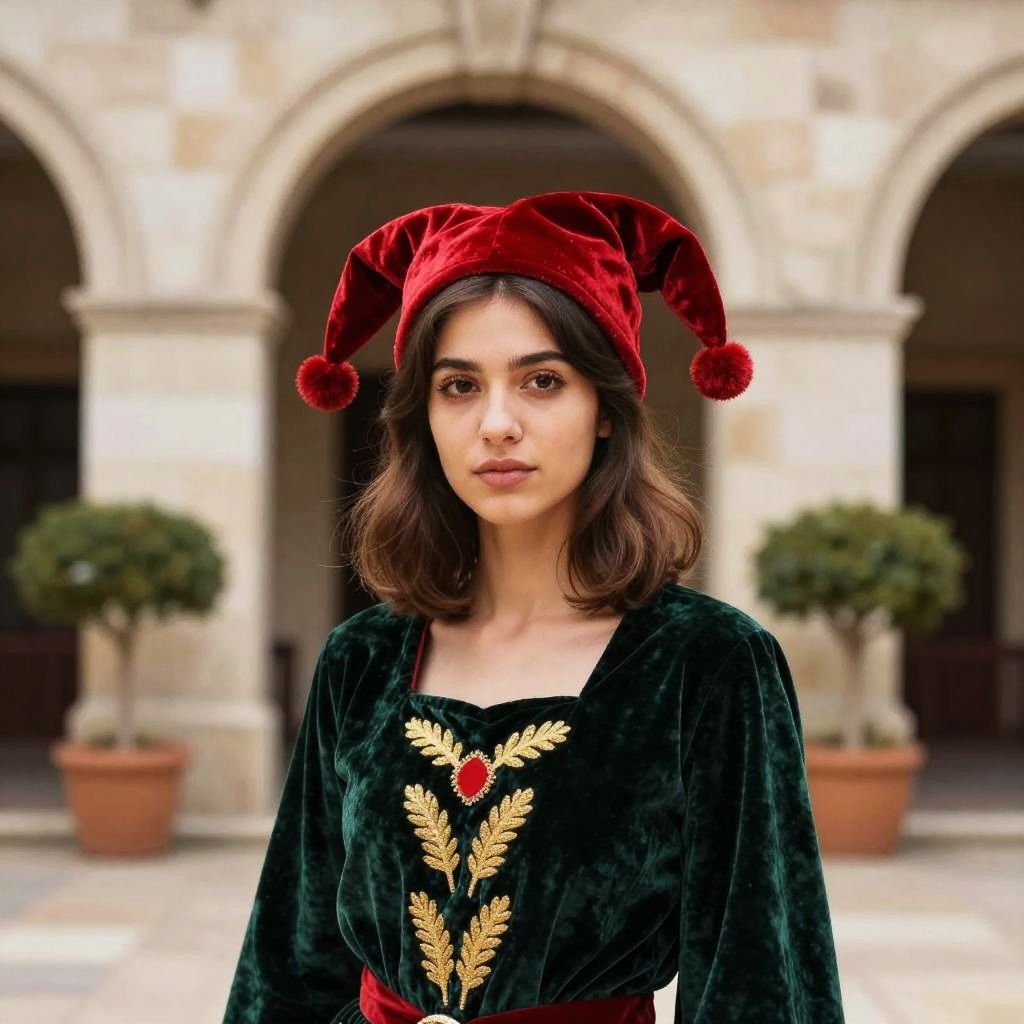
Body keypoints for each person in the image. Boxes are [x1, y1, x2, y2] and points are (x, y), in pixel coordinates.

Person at [221, 192, 846, 1024]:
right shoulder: (362, 658)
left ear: (604, 414)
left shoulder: (707, 662)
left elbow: (759, 978)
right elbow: (290, 964)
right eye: (458, 386)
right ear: (423, 421)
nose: (498, 423)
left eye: (542, 381)